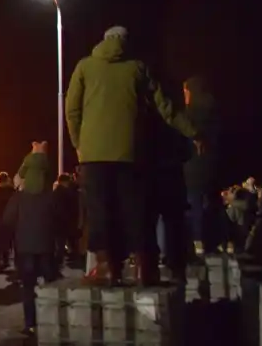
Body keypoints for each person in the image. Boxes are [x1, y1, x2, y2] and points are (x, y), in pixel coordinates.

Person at [64, 25, 195, 286]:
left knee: (100, 211)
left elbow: (72, 110)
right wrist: (193, 131)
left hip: (93, 155)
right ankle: (143, 270)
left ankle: (107, 270)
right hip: (130, 153)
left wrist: (79, 143)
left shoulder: (85, 66)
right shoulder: (137, 67)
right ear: (126, 42)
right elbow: (164, 106)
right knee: (136, 210)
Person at [5, 143, 57, 337]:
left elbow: (8, 219)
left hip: (25, 247)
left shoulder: (19, 197)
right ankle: (52, 320)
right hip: (46, 247)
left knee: (28, 287)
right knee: (51, 285)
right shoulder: (50, 196)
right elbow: (59, 220)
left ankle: (31, 324)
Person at [181, 77, 220, 256]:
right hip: (211, 166)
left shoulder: (188, 116)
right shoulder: (213, 113)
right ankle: (216, 240)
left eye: (186, 91)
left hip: (192, 167)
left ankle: (196, 242)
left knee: (193, 204)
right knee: (210, 203)